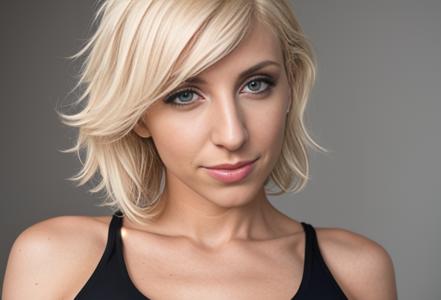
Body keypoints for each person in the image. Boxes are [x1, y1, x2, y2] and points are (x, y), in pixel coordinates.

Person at [2, 0, 397, 299]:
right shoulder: (54, 258)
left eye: (256, 84)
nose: (232, 134)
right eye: (185, 95)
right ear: (138, 115)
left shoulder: (357, 271)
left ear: (290, 87)